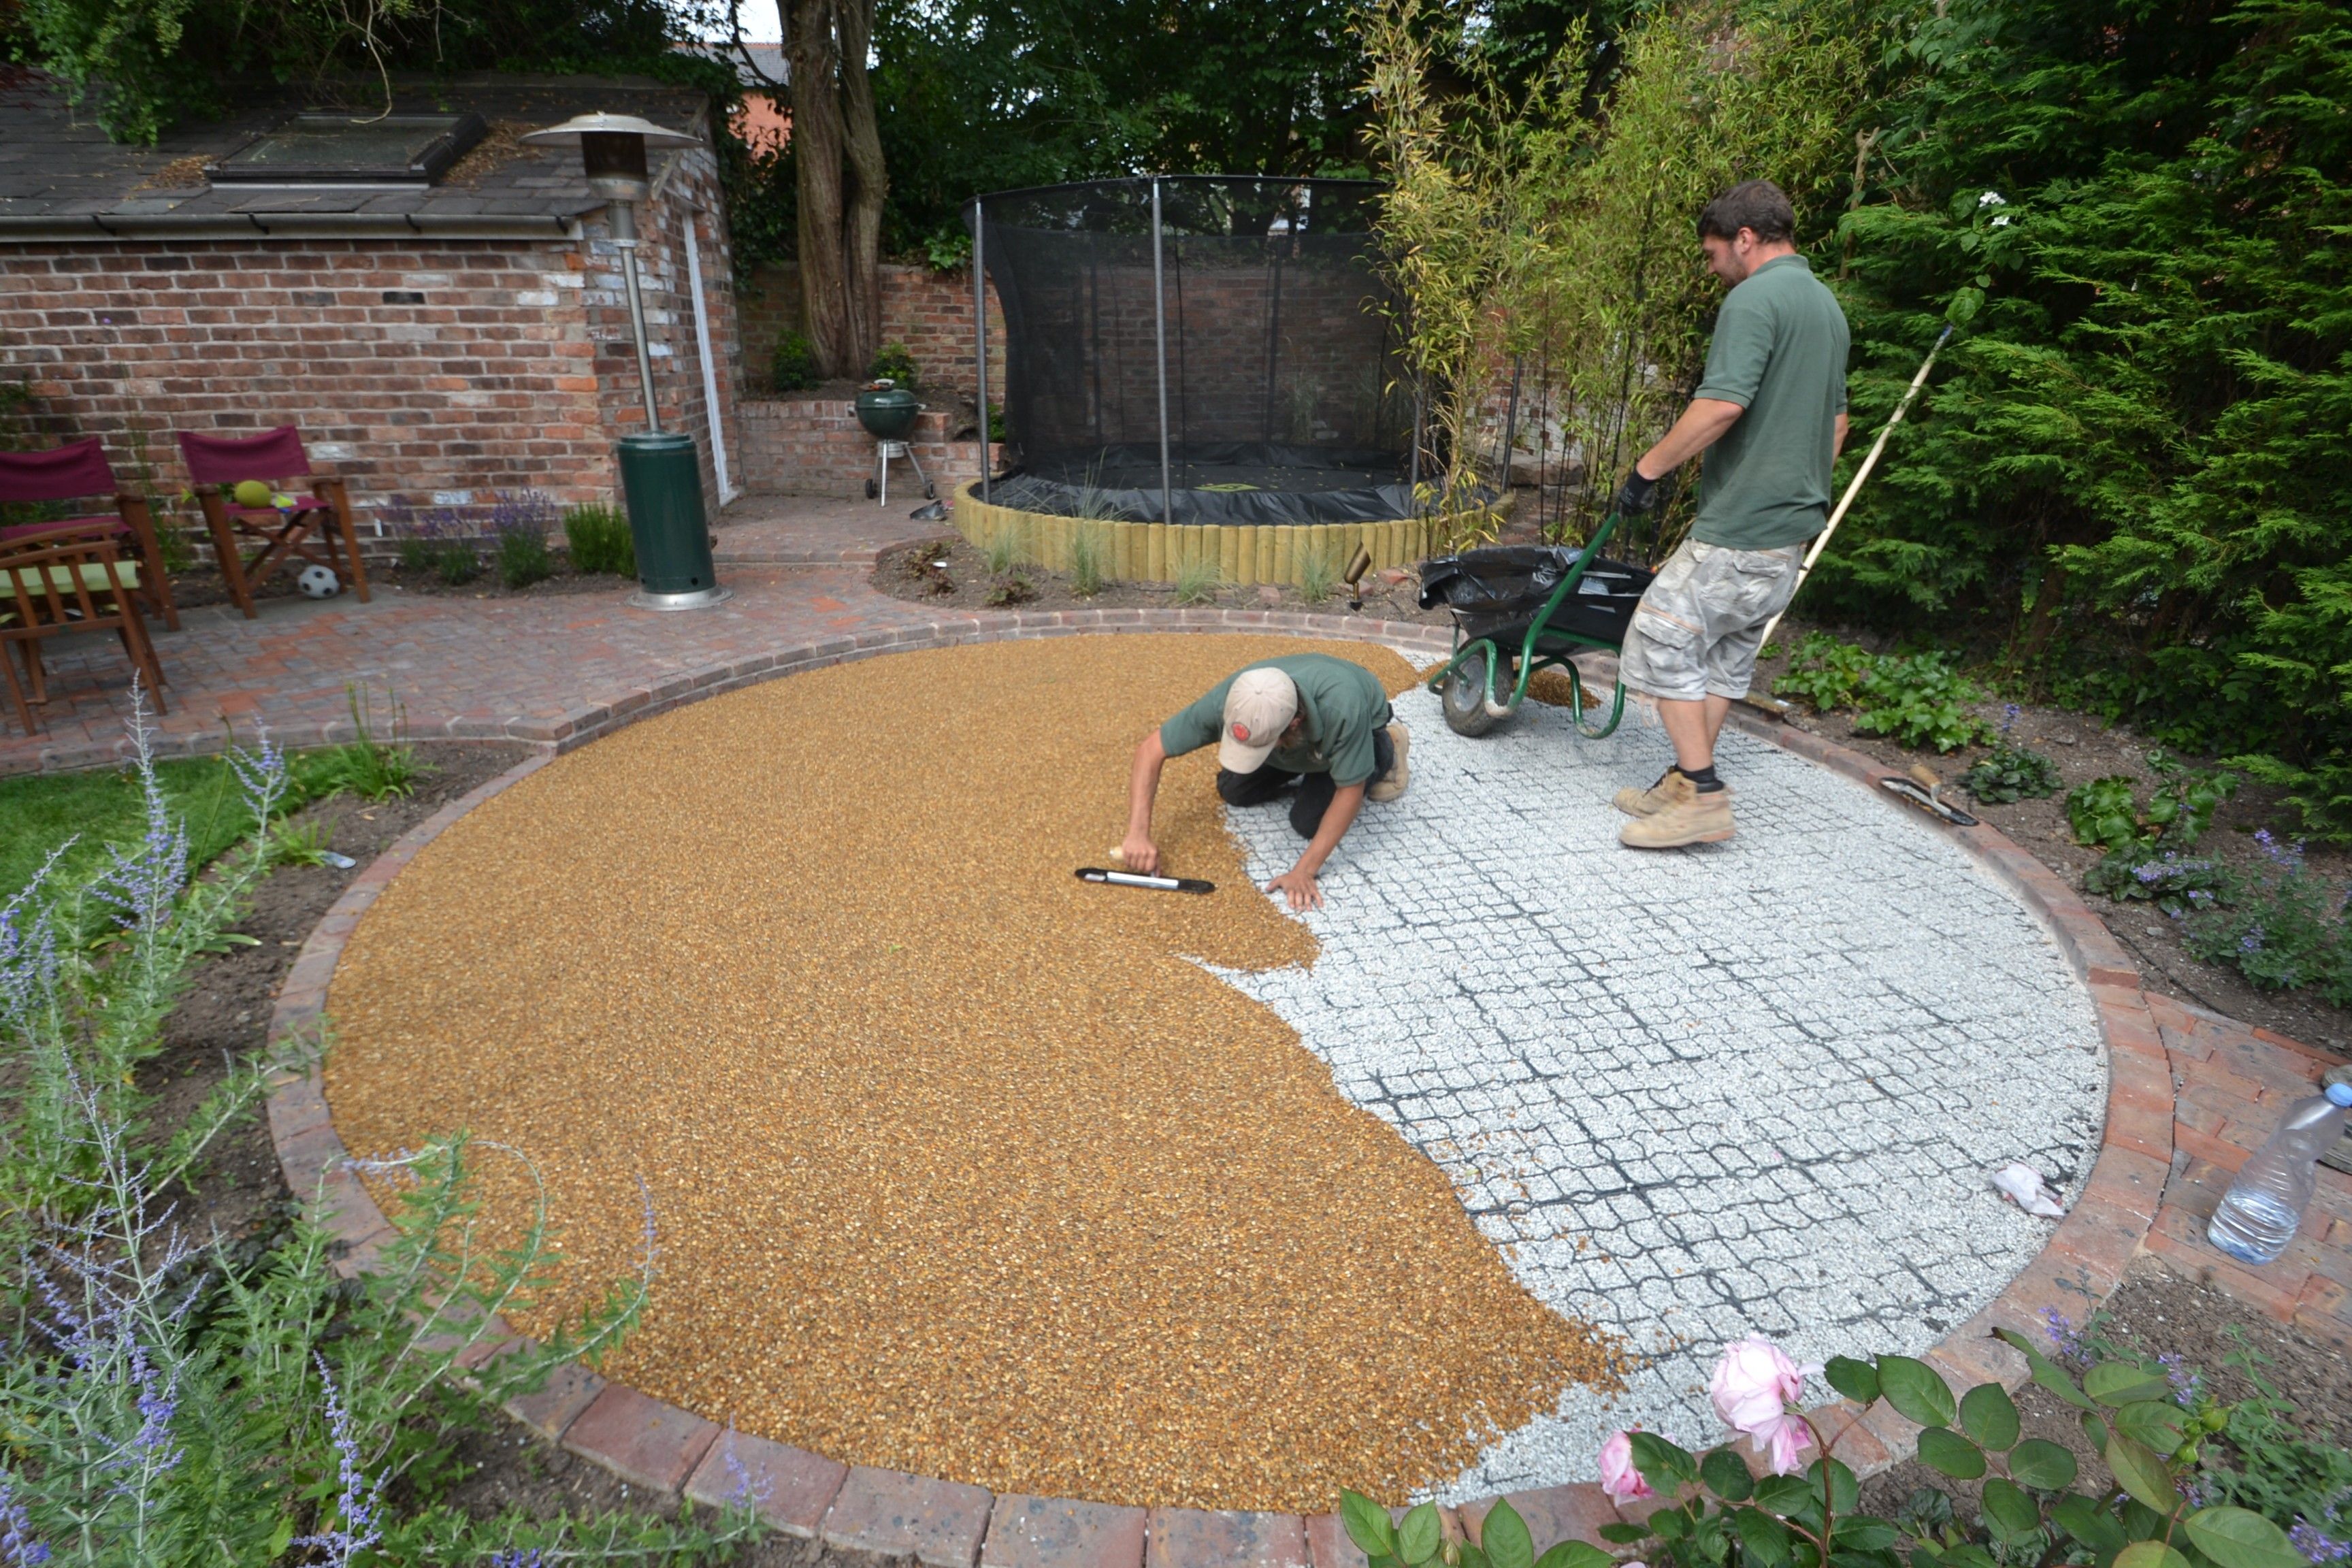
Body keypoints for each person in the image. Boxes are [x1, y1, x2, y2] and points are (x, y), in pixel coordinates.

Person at [1608, 178, 1852, 849]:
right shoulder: (1825, 307)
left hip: (1744, 525)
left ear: (1746, 239)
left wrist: (1647, 471)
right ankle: (1688, 782)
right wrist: (1798, 491)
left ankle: (1705, 797)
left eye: (1715, 255)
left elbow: (1721, 406)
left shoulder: (1754, 300)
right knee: (1719, 659)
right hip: (1791, 529)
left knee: (1659, 638)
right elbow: (1837, 423)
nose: (1714, 271)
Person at [1121, 655, 1411, 911]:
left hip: (1355, 723)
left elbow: (1350, 792)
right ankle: (1312, 764)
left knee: (1307, 822)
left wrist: (1304, 872)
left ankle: (1386, 748)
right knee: (1233, 790)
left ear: (1294, 724)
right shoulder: (1238, 698)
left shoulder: (1343, 708)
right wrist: (1137, 834)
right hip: (1296, 745)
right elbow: (1150, 750)